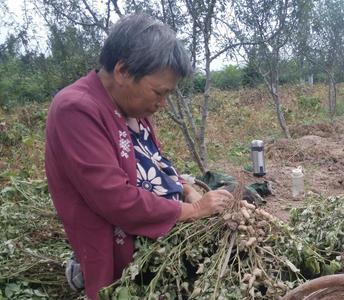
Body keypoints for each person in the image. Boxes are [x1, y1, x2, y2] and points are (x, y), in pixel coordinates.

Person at [44, 14, 233, 299]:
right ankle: (80, 272)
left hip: (159, 239)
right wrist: (194, 211)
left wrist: (186, 188)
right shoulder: (76, 109)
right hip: (119, 251)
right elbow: (115, 199)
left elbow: (155, 161)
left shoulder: (130, 108)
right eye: (159, 92)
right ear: (122, 71)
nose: (161, 103)